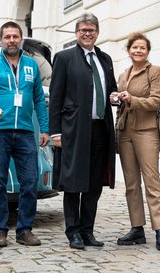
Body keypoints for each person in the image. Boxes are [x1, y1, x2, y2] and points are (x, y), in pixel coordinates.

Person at [0, 21, 49, 248]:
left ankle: (25, 230)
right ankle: (0, 231)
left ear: (21, 39)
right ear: (1, 40)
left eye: (15, 36)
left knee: (30, 181)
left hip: (26, 132)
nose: (11, 40)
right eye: (7, 37)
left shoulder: (31, 66)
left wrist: (44, 128)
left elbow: (38, 99)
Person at [49, 13, 117, 250]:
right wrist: (55, 132)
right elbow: (55, 97)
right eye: (83, 30)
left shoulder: (105, 59)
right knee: (74, 182)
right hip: (74, 130)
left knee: (94, 184)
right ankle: (73, 232)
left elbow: (111, 91)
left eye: (92, 30)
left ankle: (88, 230)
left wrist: (116, 98)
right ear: (77, 33)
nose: (87, 34)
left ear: (97, 33)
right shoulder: (64, 58)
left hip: (100, 130)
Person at [112, 32, 160, 251]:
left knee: (152, 181)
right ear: (129, 50)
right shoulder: (124, 74)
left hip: (147, 130)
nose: (138, 51)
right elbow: (122, 100)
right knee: (131, 183)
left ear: (147, 51)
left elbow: (156, 101)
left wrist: (131, 99)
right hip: (125, 131)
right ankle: (137, 228)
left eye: (142, 48)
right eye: (135, 47)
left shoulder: (155, 72)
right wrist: (115, 98)